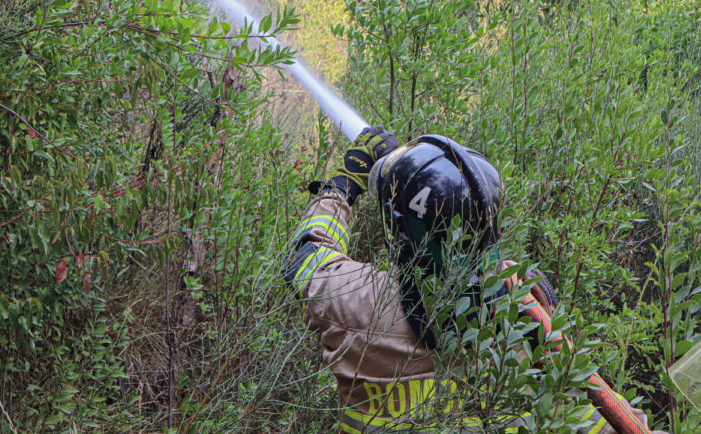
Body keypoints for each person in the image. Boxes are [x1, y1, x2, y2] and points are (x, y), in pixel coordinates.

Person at [282, 126, 667, 434]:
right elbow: (595, 414)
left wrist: (342, 186)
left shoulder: (355, 303)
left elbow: (305, 255)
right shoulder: (522, 317)